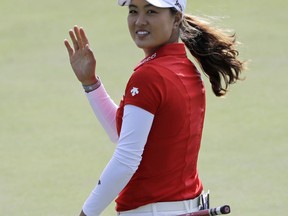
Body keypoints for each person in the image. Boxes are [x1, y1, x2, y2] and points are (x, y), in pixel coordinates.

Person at [64, 0, 245, 215]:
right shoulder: (185, 68)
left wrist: (87, 212)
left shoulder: (149, 76)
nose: (140, 21)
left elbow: (126, 160)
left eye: (151, 11)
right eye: (133, 11)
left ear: (176, 18)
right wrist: (90, 83)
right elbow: (123, 135)